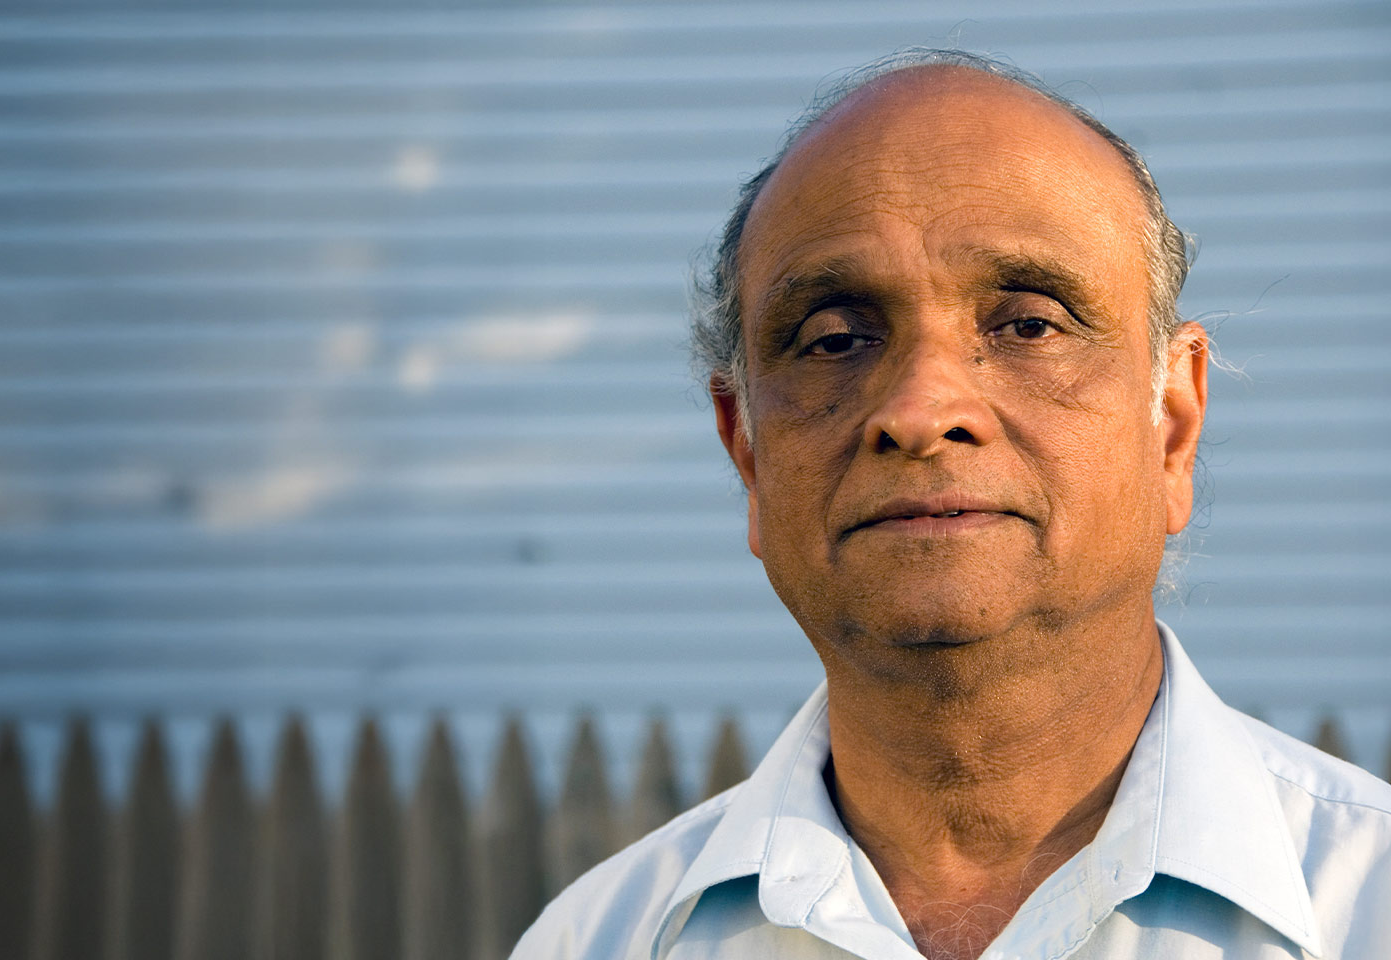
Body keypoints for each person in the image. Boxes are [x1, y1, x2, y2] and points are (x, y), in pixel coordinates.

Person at [511, 50, 1391, 960]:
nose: (922, 411)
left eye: (1029, 324)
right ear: (749, 455)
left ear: (1170, 424)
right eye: (836, 338)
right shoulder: (596, 940)